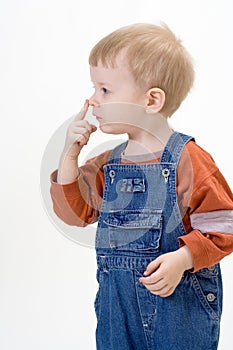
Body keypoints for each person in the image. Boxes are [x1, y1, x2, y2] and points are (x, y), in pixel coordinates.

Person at [50, 23, 233, 349]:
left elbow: (224, 224)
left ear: (151, 101)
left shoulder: (188, 160)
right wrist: (69, 156)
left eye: (104, 90)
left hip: (178, 314)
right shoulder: (108, 163)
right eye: (94, 88)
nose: (92, 100)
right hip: (117, 314)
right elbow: (74, 213)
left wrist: (185, 257)